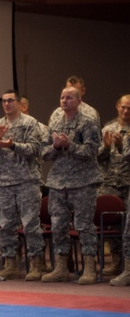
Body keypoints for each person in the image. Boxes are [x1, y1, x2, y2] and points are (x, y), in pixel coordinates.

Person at [41, 86, 102, 285]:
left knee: (84, 225)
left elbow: (92, 152)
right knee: (58, 225)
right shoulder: (55, 122)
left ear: (78, 100)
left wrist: (70, 145)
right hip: (58, 182)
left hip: (83, 182)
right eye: (62, 97)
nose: (64, 101)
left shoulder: (88, 122)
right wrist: (56, 146)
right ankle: (60, 267)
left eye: (69, 98)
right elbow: (44, 154)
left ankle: (90, 268)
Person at [0, 89, 47, 281]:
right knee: (5, 225)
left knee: (30, 224)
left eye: (10, 100)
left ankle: (36, 264)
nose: (6, 104)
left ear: (19, 103)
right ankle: (10, 264)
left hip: (26, 181)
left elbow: (35, 149)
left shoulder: (30, 123)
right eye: (4, 101)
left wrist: (12, 145)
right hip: (3, 182)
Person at [99, 94, 130, 277]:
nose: (126, 111)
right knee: (111, 225)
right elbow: (99, 158)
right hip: (110, 182)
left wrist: (120, 148)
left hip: (128, 183)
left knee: (128, 226)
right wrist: (105, 146)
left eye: (129, 108)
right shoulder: (108, 129)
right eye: (124, 107)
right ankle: (116, 261)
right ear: (118, 106)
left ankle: (128, 265)